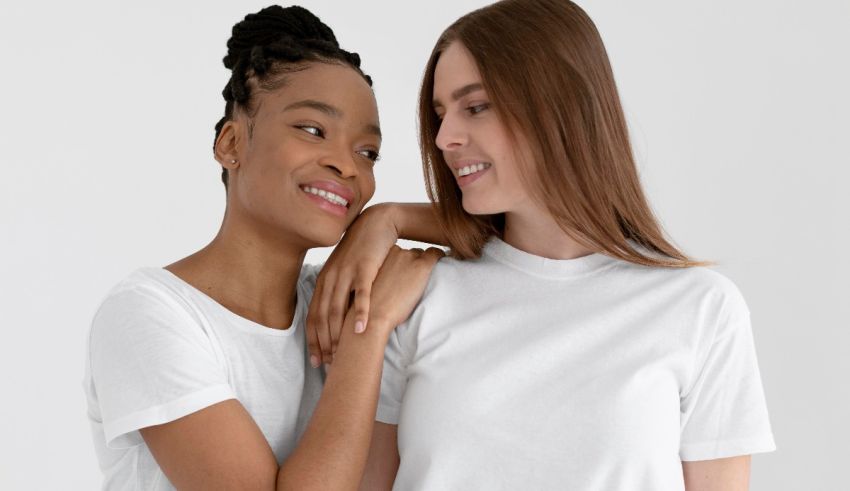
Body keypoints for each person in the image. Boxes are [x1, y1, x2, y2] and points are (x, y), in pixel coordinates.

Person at [310, 1, 776, 489]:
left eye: (476, 107)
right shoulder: (414, 294)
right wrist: (383, 223)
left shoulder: (700, 309)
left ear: (560, 108)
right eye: (441, 114)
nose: (445, 138)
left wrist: (390, 218)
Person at [82, 6, 443, 490]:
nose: (347, 166)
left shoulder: (338, 295)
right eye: (313, 130)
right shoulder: (149, 315)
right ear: (232, 143)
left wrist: (390, 218)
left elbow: (539, 229)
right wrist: (369, 331)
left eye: (367, 152)